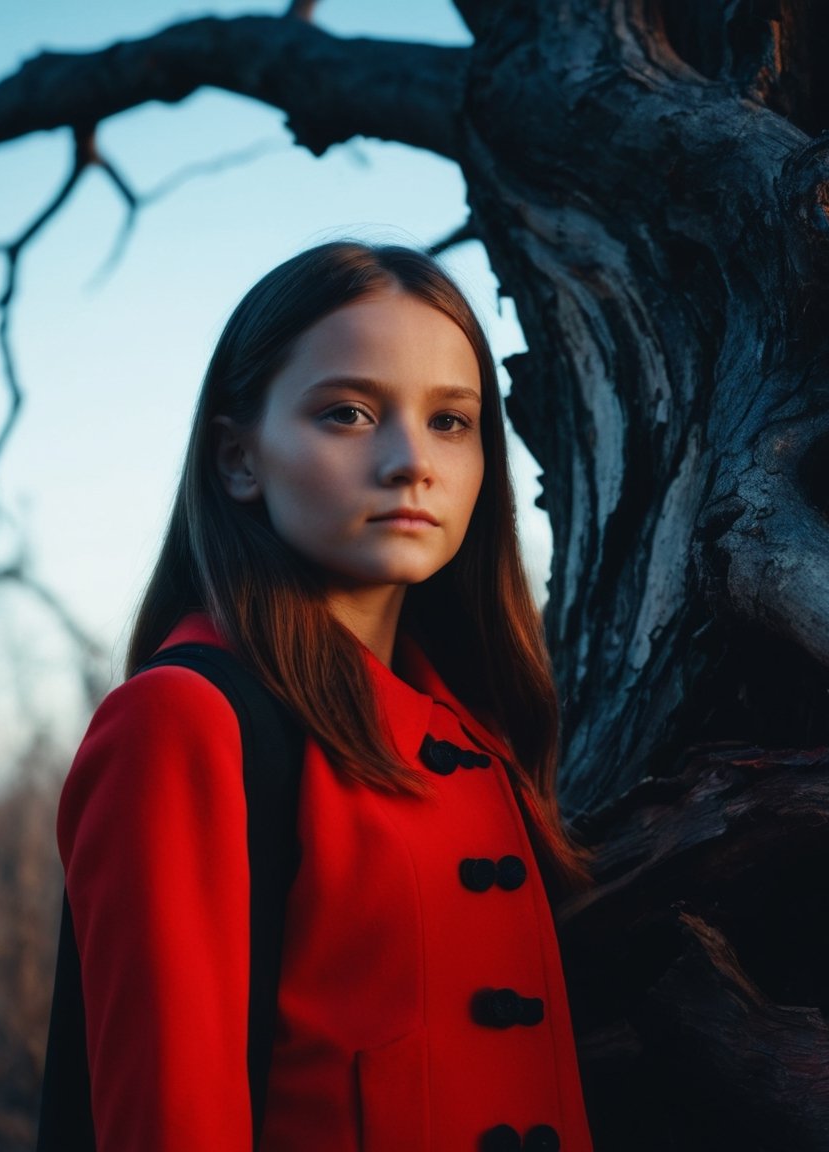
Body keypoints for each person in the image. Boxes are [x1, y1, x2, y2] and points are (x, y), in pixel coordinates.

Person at [51, 240, 595, 1151]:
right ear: (238, 460)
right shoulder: (185, 720)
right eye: (347, 413)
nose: (410, 462)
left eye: (452, 422)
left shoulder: (480, 731)